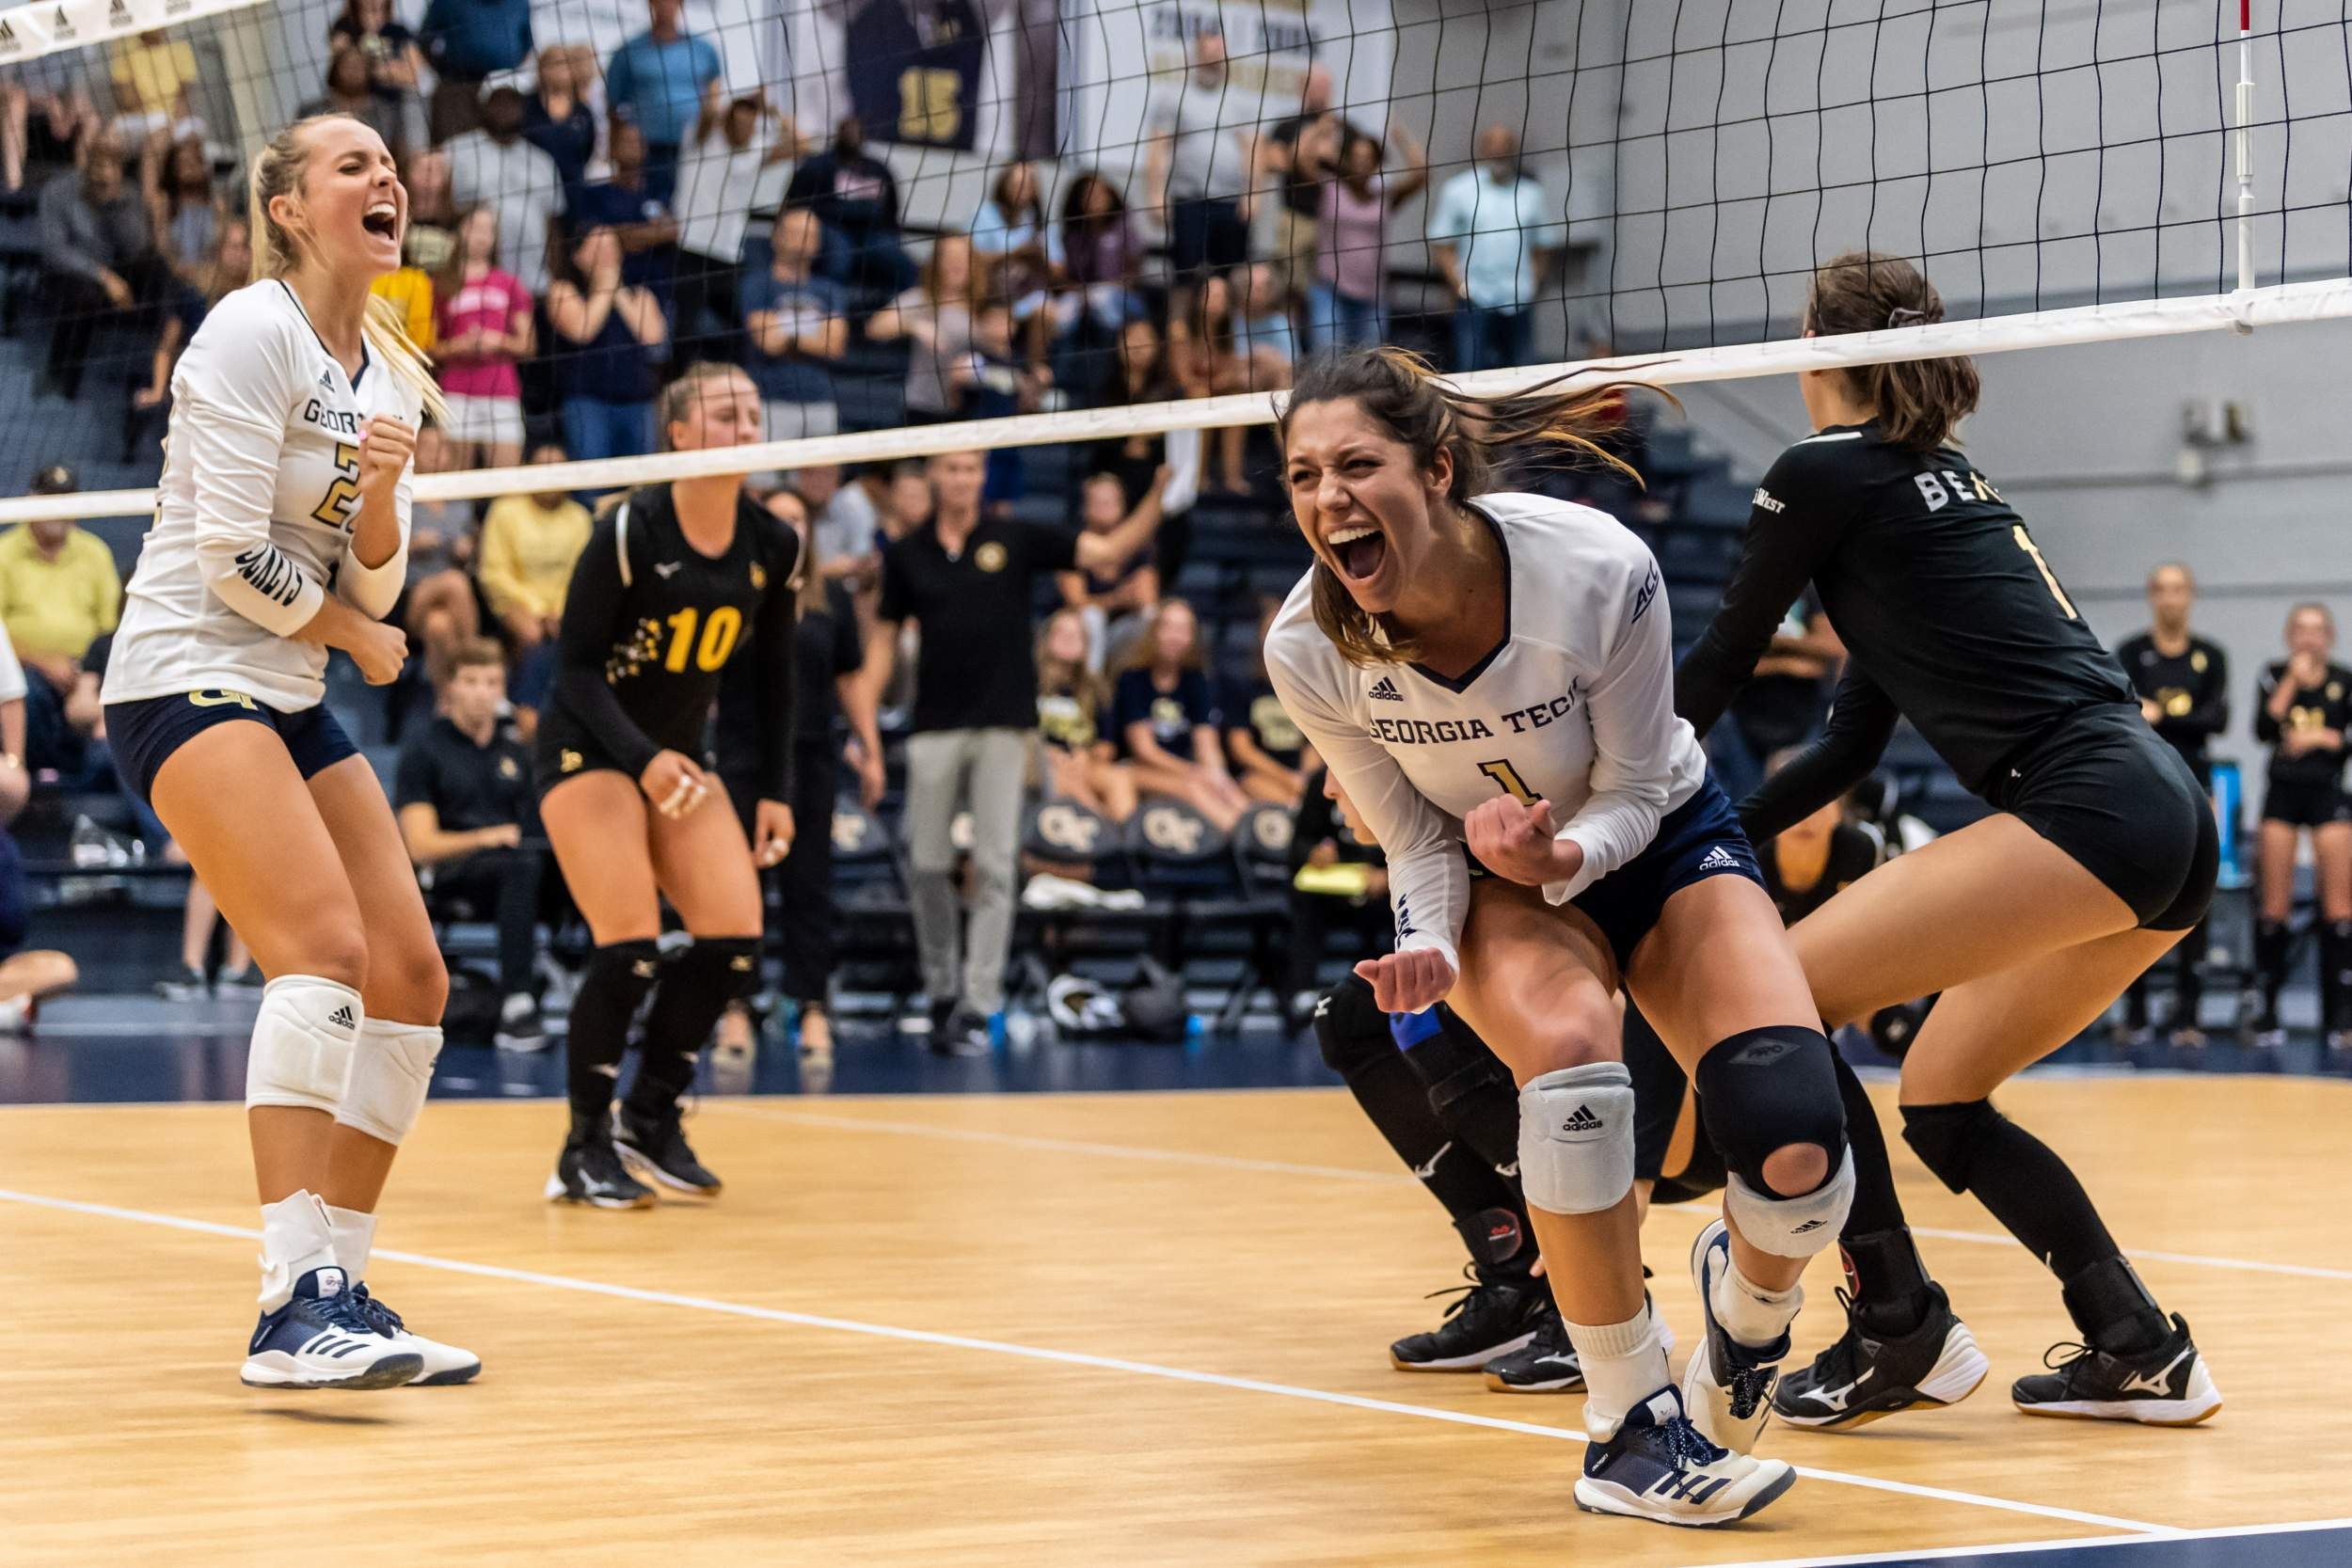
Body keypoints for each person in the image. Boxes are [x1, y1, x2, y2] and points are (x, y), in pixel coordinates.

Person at [1268, 347, 1860, 1525]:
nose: (1325, 498)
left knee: (1798, 1147)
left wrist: (1563, 859)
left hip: (1650, 831)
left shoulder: (1595, 567)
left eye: (1355, 465)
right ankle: (1628, 1428)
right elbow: (1412, 838)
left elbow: (1642, 787)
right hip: (1487, 871)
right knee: (1576, 1049)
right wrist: (1433, 941)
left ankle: (1745, 1328)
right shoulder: (1309, 646)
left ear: (1436, 471)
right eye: (1299, 475)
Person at [1673, 250, 2222, 1433]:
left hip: (2084, 800)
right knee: (1941, 1093)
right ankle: (2137, 1342)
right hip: (2163, 809)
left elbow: (1721, 659)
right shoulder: (1942, 482)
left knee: (1783, 1000)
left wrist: (1631, 804)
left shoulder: (1820, 474)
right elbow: (1842, 752)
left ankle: (1897, 1326)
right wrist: (1717, 830)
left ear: (1823, 352)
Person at [97, 113, 473, 1390]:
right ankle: (287, 1300)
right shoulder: (249, 330)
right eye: (353, 163)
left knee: (413, 976)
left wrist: (373, 502)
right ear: (292, 207)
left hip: (286, 683)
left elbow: (383, 567)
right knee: (323, 948)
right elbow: (222, 560)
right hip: (183, 673)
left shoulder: (394, 369)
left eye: (392, 165)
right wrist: (350, 632)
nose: (388, 178)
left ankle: (342, 1283)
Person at [535, 362, 800, 1208]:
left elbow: (773, 684)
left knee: (733, 934)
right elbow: (573, 671)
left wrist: (775, 790)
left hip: (681, 758)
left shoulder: (773, 543)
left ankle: (650, 1116)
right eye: (726, 413)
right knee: (630, 943)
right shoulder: (629, 531)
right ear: (679, 433)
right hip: (593, 747)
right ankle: (583, 1147)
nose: (745, 425)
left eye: (754, 412)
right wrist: (641, 757)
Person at [863, 450, 1171, 1055]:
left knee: (997, 865)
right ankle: (942, 991)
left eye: (972, 469)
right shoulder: (907, 555)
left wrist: (1161, 491)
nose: (961, 479)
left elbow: (1106, 555)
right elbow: (880, 646)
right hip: (933, 727)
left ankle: (977, 1006)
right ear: (933, 477)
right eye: (950, 469)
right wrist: (868, 733)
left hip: (1005, 727)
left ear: (982, 477)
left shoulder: (1014, 536)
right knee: (926, 863)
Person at [711, 486, 883, 1064]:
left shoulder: (829, 598)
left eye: (797, 519)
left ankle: (811, 1006)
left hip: (811, 755)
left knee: (809, 883)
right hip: (741, 755)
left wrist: (871, 746)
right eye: (778, 519)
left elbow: (851, 678)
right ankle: (736, 1006)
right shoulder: (734, 592)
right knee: (740, 887)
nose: (789, 529)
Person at [395, 639, 546, 1049]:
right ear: (451, 689)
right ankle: (518, 1002)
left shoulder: (517, 752)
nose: (482, 692)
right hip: (450, 875)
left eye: (492, 682)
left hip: (518, 871)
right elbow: (420, 846)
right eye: (472, 681)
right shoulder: (425, 749)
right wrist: (487, 836)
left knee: (564, 865)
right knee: (519, 865)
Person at [2113, 562, 2229, 1046]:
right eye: (2162, 590)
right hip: (2142, 782)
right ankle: (2135, 1011)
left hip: (2195, 784)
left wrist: (2160, 716)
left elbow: (2215, 720)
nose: (2171, 598)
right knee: (2136, 895)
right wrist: (2155, 719)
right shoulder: (2131, 653)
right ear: (2151, 596)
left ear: (2191, 595)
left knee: (2195, 895)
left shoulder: (2210, 656)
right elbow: (2122, 714)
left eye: (2179, 589)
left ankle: (2190, 1015)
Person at [2250, 603, 2352, 1049]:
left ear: (2329, 636)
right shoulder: (2274, 674)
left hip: (2328, 792)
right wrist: (2292, 679)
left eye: (2317, 630)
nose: (2309, 638)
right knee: (2274, 907)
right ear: (2290, 635)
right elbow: (2263, 727)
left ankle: (2339, 1018)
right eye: (2301, 630)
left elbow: (2343, 739)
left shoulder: (2343, 680)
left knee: (2339, 910)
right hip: (2283, 793)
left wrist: (2323, 738)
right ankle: (2266, 1012)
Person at [0, 466, 122, 778]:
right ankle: (45, 777)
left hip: (87, 671)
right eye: (49, 500)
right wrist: (41, 660)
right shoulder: (4, 552)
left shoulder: (94, 551)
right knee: (27, 691)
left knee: (115, 692)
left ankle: (97, 776)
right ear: (31, 501)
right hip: (25, 668)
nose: (57, 510)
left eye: (65, 501)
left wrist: (90, 670)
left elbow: (111, 625)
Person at [37, 130, 165, 400]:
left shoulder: (127, 194)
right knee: (83, 295)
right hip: (69, 276)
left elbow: (137, 248)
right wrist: (103, 277)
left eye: (112, 160)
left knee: (161, 274)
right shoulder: (58, 191)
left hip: (118, 273)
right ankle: (62, 378)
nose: (102, 168)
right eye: (99, 158)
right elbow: (54, 250)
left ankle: (153, 384)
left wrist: (112, 204)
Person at [673, 94, 799, 358]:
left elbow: (801, 143)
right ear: (728, 119)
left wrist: (773, 110)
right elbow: (709, 106)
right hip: (690, 249)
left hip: (728, 256)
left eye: (751, 123)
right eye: (740, 120)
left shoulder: (755, 150)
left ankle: (735, 382)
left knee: (738, 332)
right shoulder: (703, 138)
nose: (746, 127)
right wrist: (742, 98)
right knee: (685, 331)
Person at [1110, 598, 1248, 832]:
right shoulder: (1133, 679)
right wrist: (1195, 772)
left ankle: (1254, 828)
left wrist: (1218, 776)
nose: (1175, 637)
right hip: (1136, 769)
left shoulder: (1195, 679)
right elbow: (1144, 751)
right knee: (1194, 787)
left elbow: (1206, 743)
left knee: (1225, 785)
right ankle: (1240, 835)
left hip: (1181, 769)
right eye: (1169, 628)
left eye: (1183, 630)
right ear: (1155, 632)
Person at [1427, 125, 1557, 373]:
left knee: (1523, 378)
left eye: (1505, 147)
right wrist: (1460, 286)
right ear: (1482, 149)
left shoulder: (1532, 194)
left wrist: (1533, 285)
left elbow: (1543, 246)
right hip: (1475, 298)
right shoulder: (1458, 190)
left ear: (1514, 151)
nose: (1499, 152)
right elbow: (1442, 242)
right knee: (1470, 376)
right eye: (1493, 147)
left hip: (1519, 299)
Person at [477, 442, 593, 714]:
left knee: (579, 632)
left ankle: (561, 710)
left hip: (564, 607)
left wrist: (560, 610)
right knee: (531, 633)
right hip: (514, 603)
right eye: (543, 468)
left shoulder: (579, 518)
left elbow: (583, 575)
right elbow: (493, 572)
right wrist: (537, 609)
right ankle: (520, 710)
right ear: (529, 471)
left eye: (557, 469)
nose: (550, 476)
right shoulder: (506, 510)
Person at [547, 225, 668, 468]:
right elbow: (583, 330)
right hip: (587, 402)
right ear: (578, 255)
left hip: (638, 400)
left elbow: (653, 337)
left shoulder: (640, 294)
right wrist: (604, 289)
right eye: (598, 248)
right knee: (592, 482)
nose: (607, 255)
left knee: (639, 480)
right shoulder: (563, 290)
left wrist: (619, 292)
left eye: (613, 248)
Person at [1146, 30, 1257, 291]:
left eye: (1218, 56)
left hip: (1230, 203)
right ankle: (1179, 329)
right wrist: (1155, 196)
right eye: (1207, 55)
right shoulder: (1174, 97)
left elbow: (1252, 151)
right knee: (1184, 276)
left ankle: (1227, 331)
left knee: (1231, 279)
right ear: (1195, 57)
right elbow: (1158, 148)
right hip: (1189, 201)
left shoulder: (1240, 100)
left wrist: (1253, 195)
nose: (1213, 61)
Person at [1308, 119, 1428, 350]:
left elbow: (1422, 175)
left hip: (1372, 295)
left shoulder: (1385, 197)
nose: (1361, 162)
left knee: (1370, 366)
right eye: (1356, 156)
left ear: (1376, 163)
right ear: (1347, 160)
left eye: (1367, 157)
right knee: (1326, 362)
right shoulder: (1329, 188)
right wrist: (1320, 128)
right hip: (1330, 290)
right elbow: (1301, 161)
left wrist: (1401, 138)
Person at [434, 205, 533, 472]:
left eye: (488, 230)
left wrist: (497, 341)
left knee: (507, 480)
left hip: (501, 390)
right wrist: (461, 346)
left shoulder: (509, 284)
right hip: (456, 391)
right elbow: (429, 347)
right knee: (456, 483)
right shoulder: (442, 284)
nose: (482, 236)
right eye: (475, 227)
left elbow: (528, 344)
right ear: (459, 232)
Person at [444, 86, 564, 295]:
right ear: (485, 106)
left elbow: (554, 225)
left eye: (512, 103)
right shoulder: (456, 150)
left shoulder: (541, 160)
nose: (505, 109)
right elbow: (444, 212)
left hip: (534, 285)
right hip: (475, 285)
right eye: (499, 102)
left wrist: (554, 276)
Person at [603, 0, 724, 207]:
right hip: (648, 154)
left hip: (693, 150)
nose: (666, 6)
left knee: (691, 207)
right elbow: (613, 109)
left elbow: (714, 98)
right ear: (650, 4)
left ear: (681, 5)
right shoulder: (628, 51)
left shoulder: (703, 49)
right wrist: (620, 154)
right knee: (647, 212)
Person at [742, 208, 849, 441]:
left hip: (820, 399)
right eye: (796, 232)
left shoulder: (829, 290)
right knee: (763, 478)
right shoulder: (758, 285)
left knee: (821, 476)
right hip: (770, 399)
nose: (804, 239)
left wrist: (788, 334)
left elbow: (835, 346)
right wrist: (816, 335)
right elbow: (769, 342)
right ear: (776, 236)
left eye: (811, 233)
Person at [785, 118, 915, 297]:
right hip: (831, 230)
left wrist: (893, 234)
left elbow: (892, 210)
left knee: (901, 263)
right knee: (839, 258)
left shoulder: (878, 169)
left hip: (871, 234)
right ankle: (831, 307)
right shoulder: (817, 165)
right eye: (848, 132)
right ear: (838, 134)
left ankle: (902, 311)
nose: (853, 136)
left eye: (857, 132)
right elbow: (796, 204)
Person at [1034, 609, 1135, 822]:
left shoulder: (1096, 689)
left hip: (1083, 762)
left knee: (1118, 778)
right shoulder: (1028, 684)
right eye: (1062, 633)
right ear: (1046, 639)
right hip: (1039, 763)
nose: (1069, 639)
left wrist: (1086, 756)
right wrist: (1047, 753)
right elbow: (1018, 735)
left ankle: (1130, 842)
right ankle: (1108, 836)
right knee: (1060, 779)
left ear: (1086, 645)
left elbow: (1107, 745)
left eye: (1077, 634)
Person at [866, 231, 977, 422]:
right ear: (936, 262)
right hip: (922, 407)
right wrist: (915, 326)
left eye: (961, 257)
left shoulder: (985, 304)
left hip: (974, 407)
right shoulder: (922, 298)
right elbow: (875, 327)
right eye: (948, 257)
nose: (955, 264)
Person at [566, 119, 680, 303]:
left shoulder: (660, 189)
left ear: (646, 148)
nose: (633, 147)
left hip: (658, 291)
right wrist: (653, 234)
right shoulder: (596, 194)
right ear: (612, 149)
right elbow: (602, 240)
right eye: (626, 141)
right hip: (612, 296)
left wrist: (624, 234)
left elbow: (675, 231)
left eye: (637, 142)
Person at [968, 160, 1064, 371]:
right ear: (1004, 184)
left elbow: (1059, 272)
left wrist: (1040, 257)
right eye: (1016, 183)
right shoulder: (985, 214)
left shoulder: (1040, 223)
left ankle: (1035, 373)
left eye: (1029, 184)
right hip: (989, 296)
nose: (1022, 189)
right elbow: (970, 259)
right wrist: (1013, 253)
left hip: (1026, 296)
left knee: (1048, 311)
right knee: (997, 329)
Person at [1056, 471, 1159, 666]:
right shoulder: (1074, 544)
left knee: (1153, 621)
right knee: (1092, 618)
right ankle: (1091, 689)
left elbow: (1147, 603)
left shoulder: (1139, 548)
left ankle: (1142, 686)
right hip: (1076, 634)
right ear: (1085, 507)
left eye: (1110, 502)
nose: (1105, 508)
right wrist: (1118, 598)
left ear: (1123, 505)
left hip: (1120, 633)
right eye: (1098, 502)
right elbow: (1077, 603)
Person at [1258, 66, 1338, 298]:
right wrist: (1314, 138)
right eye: (1314, 86)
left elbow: (1351, 167)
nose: (1320, 92)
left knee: (1328, 290)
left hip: (1335, 221)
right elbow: (1273, 162)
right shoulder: (1286, 127)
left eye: (1324, 86)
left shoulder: (1343, 128)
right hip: (1295, 216)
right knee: (1290, 288)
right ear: (1301, 89)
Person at [1224, 600, 1311, 808]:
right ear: (1261, 637)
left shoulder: (1309, 688)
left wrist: (1305, 777)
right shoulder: (1244, 689)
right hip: (1261, 775)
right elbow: (1241, 748)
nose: (1278, 639)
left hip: (1302, 776)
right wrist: (1286, 778)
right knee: (1250, 783)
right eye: (1271, 630)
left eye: (1285, 630)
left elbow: (1318, 743)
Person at [419, 0, 532, 143]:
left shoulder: (519, 3)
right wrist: (444, 68)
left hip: (503, 90)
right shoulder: (447, 3)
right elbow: (425, 38)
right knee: (455, 146)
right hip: (459, 86)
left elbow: (527, 42)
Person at [330, 0, 430, 159]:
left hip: (396, 99)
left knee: (414, 97)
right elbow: (342, 67)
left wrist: (369, 66)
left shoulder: (399, 31)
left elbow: (412, 75)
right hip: (362, 98)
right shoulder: (345, 27)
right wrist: (391, 69)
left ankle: (416, 160)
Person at [521, 45, 598, 195]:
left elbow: (588, 149)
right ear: (541, 68)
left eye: (565, 63)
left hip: (572, 189)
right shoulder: (526, 106)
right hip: (532, 187)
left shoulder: (583, 112)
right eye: (554, 63)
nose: (560, 69)